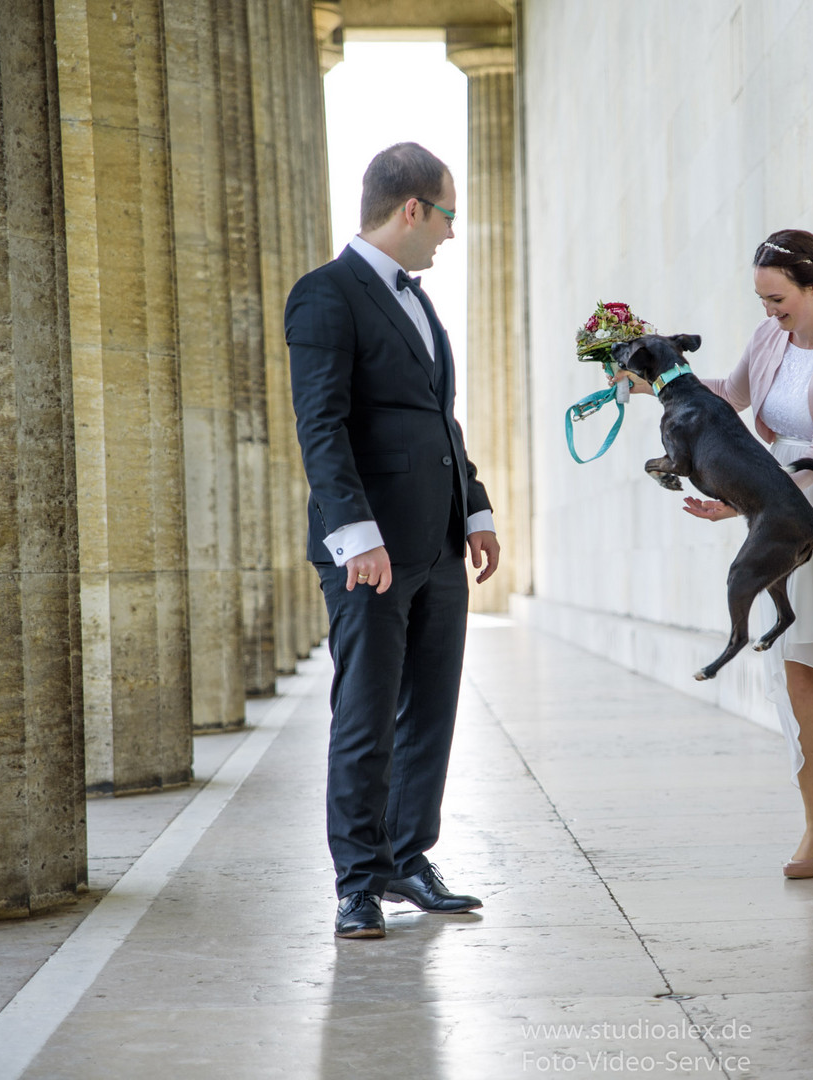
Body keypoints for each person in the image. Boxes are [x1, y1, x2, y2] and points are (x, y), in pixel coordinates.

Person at [627, 229, 813, 877]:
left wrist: (742, 504)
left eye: (778, 299)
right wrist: (645, 381)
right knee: (797, 674)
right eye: (763, 301)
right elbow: (731, 395)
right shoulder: (771, 336)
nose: (770, 312)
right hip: (771, 497)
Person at [286, 142, 500, 938]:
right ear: (412, 208)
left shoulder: (420, 302)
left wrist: (473, 509)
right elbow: (322, 427)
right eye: (447, 215)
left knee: (431, 713)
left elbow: (438, 418)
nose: (451, 233)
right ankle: (358, 882)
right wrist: (354, 534)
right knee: (368, 716)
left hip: (438, 546)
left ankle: (410, 857)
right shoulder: (325, 296)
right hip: (368, 554)